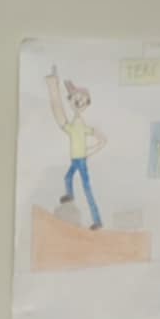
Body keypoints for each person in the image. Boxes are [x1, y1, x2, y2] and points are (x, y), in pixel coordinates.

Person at [47, 64, 106, 230]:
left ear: (86, 103)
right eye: (75, 99)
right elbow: (63, 123)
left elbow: (102, 139)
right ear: (70, 101)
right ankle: (71, 196)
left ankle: (97, 220)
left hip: (80, 160)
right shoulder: (76, 123)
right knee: (68, 178)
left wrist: (89, 152)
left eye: (81, 100)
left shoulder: (79, 124)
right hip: (76, 159)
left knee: (86, 189)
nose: (78, 102)